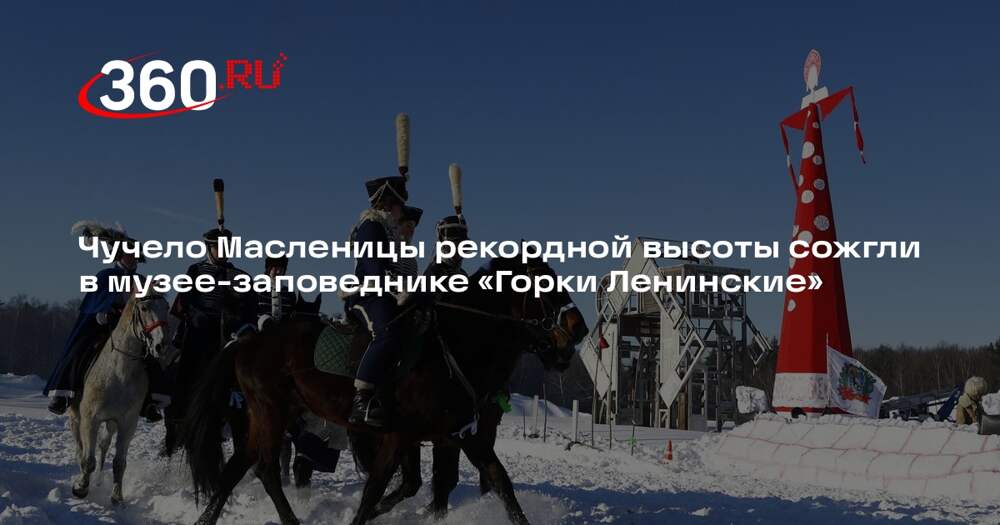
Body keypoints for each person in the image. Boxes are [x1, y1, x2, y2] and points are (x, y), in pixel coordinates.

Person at [44, 224, 168, 421]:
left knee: (151, 358)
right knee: (79, 350)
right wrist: (101, 313)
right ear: (119, 256)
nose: (132, 258)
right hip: (103, 326)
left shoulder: (142, 280)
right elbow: (93, 303)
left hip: (133, 330)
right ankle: (63, 393)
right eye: (128, 255)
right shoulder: (105, 276)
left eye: (135, 255)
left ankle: (151, 402)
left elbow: (148, 307)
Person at [164, 227, 256, 452]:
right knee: (181, 370)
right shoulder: (196, 270)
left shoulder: (240, 276)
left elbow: (250, 309)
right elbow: (183, 304)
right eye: (219, 247)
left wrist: (239, 321)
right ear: (209, 248)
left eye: (227, 247)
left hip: (229, 337)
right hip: (199, 334)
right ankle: (178, 417)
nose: (224, 251)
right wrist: (197, 315)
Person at [344, 174, 410, 428]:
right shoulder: (371, 226)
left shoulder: (388, 230)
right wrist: (399, 287)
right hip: (367, 295)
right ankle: (361, 398)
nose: (401, 210)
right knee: (386, 332)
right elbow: (374, 268)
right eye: (399, 204)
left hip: (386, 292)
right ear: (388, 204)